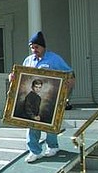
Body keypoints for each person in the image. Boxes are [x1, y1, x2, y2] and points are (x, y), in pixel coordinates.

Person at [13, 31, 75, 163]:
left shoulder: (54, 59)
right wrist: (12, 78)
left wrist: (67, 94)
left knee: (49, 122)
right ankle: (34, 151)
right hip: (32, 98)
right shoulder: (28, 60)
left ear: (43, 47)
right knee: (32, 124)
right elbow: (21, 77)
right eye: (32, 47)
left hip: (50, 98)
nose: (34, 50)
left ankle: (53, 146)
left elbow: (69, 73)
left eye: (37, 47)